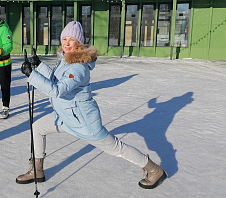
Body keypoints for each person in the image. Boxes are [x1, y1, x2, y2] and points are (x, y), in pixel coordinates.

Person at [16, 21, 167, 189]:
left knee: (117, 148)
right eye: (64, 38)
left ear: (79, 43)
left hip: (84, 122)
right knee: (37, 128)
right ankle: (37, 170)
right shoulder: (65, 60)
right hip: (65, 116)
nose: (66, 43)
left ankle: (154, 170)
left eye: (71, 39)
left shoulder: (80, 68)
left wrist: (31, 76)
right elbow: (55, 79)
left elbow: (58, 90)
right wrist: (39, 66)